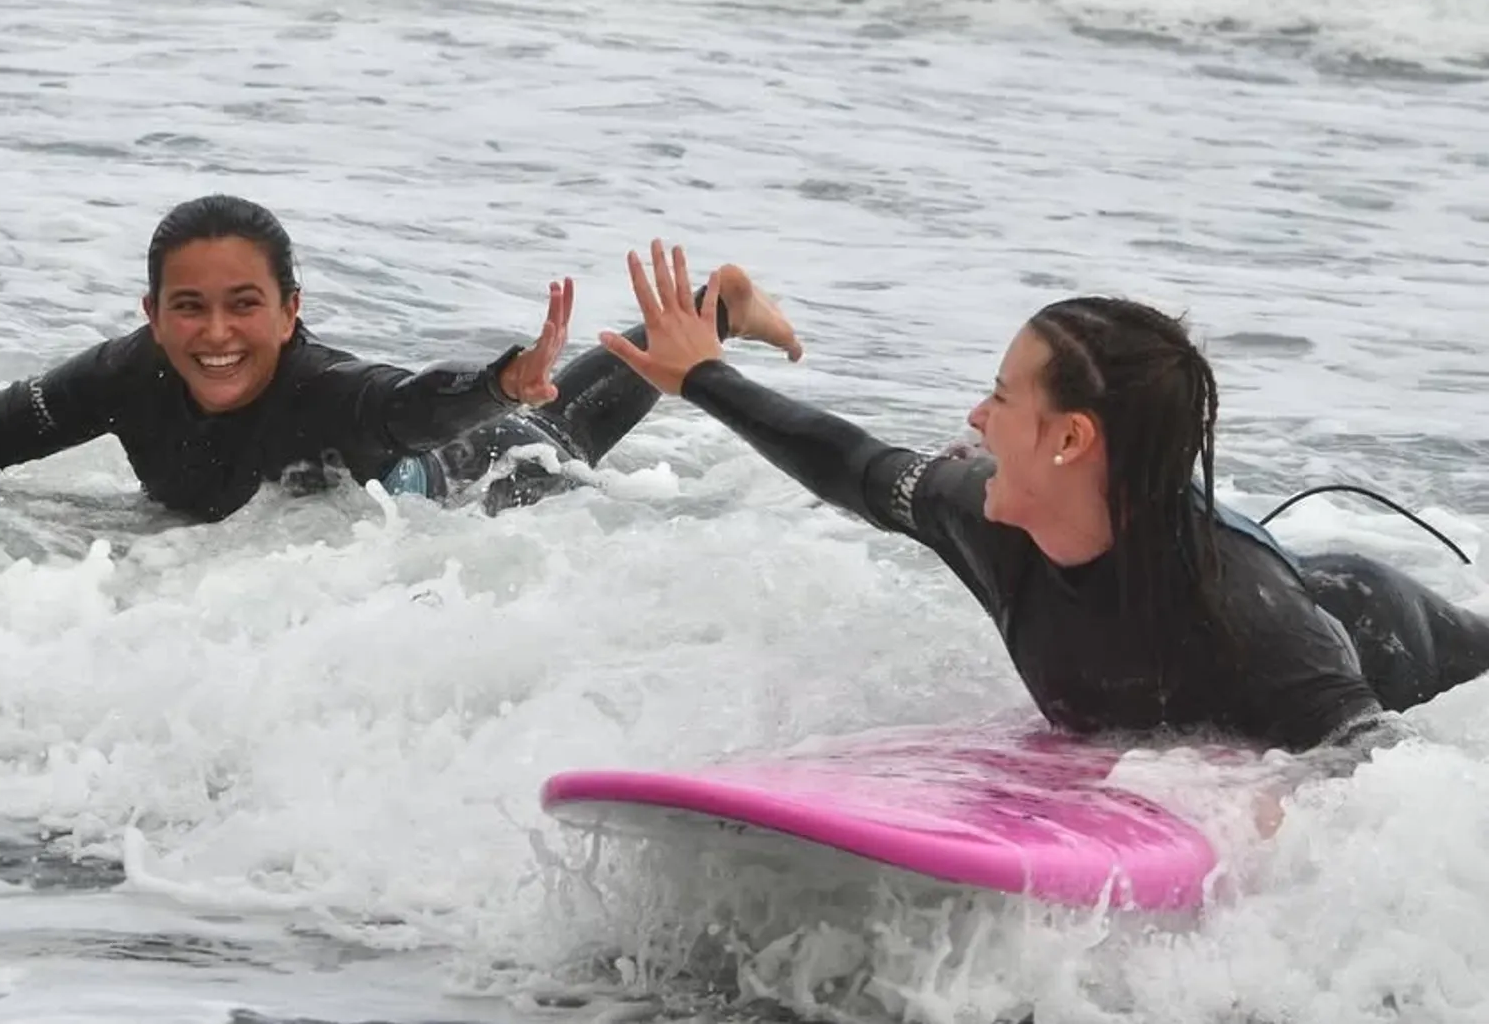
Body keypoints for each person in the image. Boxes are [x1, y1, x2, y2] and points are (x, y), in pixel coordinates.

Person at [599, 241, 1489, 756]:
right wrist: (703, 378)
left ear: (1069, 440)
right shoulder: (984, 519)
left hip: (1384, 636)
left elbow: (1386, 778)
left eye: (1000, 396)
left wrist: (1257, 801)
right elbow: (855, 465)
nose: (975, 417)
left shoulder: (1248, 615)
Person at [0, 196, 803, 519]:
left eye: (244, 305)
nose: (216, 333)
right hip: (441, 430)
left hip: (469, 477)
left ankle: (717, 302)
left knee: (557, 432)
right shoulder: (126, 373)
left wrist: (493, 387)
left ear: (292, 311)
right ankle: (715, 301)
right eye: (189, 308)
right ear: (153, 313)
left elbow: (406, 405)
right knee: (549, 411)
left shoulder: (323, 387)